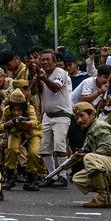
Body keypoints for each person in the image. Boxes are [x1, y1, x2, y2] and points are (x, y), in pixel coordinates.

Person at [70, 102, 111, 208]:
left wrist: (88, 155)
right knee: (78, 178)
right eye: (77, 118)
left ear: (91, 114)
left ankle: (103, 197)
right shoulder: (91, 129)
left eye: (82, 116)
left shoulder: (98, 126)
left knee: (90, 158)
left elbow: (109, 148)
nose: (79, 121)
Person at [34, 49, 74, 187]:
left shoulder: (60, 73)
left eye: (48, 59)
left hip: (61, 115)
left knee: (59, 145)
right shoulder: (42, 74)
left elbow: (55, 88)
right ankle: (52, 175)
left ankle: (63, 176)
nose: (45, 62)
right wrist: (36, 79)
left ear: (54, 61)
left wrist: (43, 78)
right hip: (48, 115)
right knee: (44, 149)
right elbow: (34, 92)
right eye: (42, 60)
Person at [0, 89, 42, 192]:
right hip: (16, 131)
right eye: (14, 109)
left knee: (34, 153)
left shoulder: (29, 108)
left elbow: (35, 122)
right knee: (11, 149)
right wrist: (9, 123)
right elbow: (0, 126)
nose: (16, 112)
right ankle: (10, 177)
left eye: (19, 110)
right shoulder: (7, 110)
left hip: (32, 132)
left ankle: (31, 178)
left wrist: (25, 122)